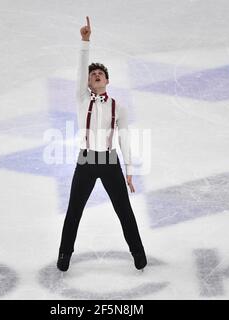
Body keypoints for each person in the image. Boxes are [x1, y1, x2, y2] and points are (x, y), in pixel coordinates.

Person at [57, 16, 147, 272]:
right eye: (92, 74)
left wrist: (129, 170)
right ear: (87, 83)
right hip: (85, 160)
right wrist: (85, 42)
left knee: (124, 211)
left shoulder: (119, 107)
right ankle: (64, 254)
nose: (96, 75)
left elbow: (125, 138)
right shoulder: (81, 99)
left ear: (107, 80)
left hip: (109, 161)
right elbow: (81, 69)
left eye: (100, 74)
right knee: (74, 210)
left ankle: (138, 253)